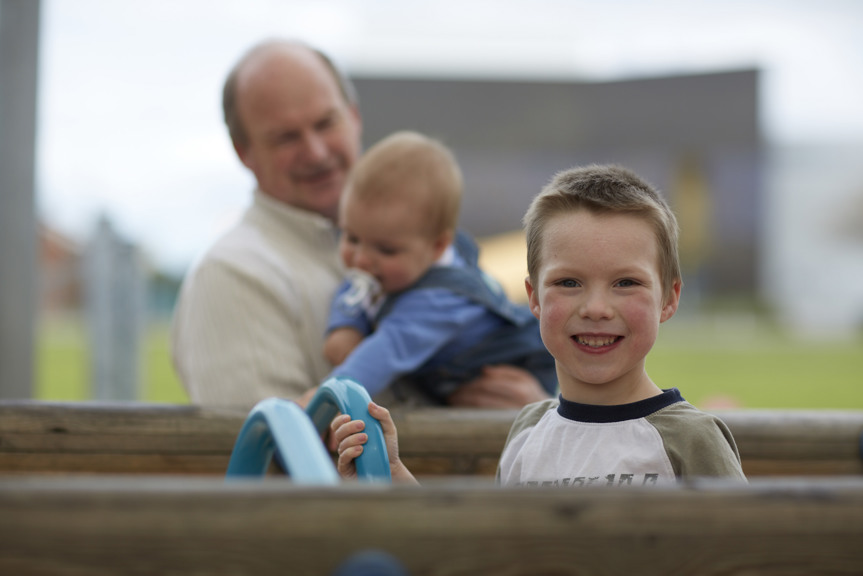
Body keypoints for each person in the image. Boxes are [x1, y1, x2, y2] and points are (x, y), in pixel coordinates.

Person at [171, 39, 550, 411]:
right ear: (243, 151)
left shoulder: (407, 235)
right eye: (286, 137)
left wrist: (535, 410)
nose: (316, 152)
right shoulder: (233, 274)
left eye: (325, 123)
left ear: (354, 117)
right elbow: (269, 455)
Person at [332, 164, 747, 485]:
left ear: (669, 298)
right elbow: (494, 559)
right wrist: (389, 474)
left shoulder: (693, 441)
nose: (597, 308)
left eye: (626, 282)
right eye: (569, 282)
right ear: (533, 297)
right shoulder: (527, 431)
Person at [323, 131, 557, 406]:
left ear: (437, 246)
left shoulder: (438, 301)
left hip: (513, 369)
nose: (361, 259)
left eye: (386, 249)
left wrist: (324, 402)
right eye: (351, 238)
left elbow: (378, 358)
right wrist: (346, 323)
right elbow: (359, 285)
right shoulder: (394, 262)